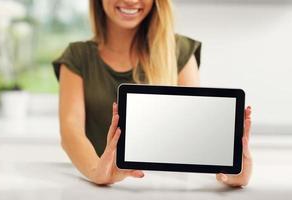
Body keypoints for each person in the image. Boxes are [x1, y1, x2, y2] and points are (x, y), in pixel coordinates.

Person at [52, 0, 252, 186]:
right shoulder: (78, 56)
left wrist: (230, 174)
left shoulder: (179, 51)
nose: (130, 0)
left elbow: (196, 136)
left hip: (166, 186)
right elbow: (71, 130)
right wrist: (97, 172)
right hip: (102, 188)